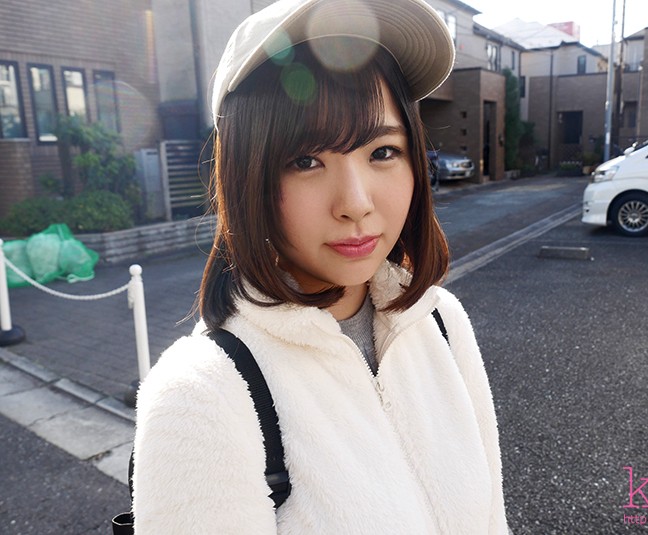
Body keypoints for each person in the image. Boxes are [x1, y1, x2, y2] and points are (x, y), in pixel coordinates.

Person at [131, 0, 508, 533]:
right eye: (306, 160)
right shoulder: (202, 394)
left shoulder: (441, 321)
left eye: (382, 152)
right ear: (247, 178)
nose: (356, 203)